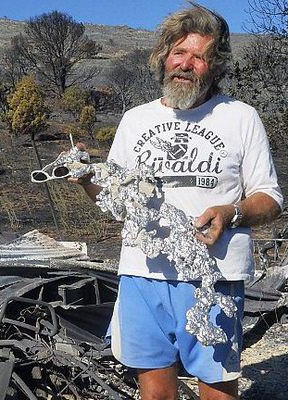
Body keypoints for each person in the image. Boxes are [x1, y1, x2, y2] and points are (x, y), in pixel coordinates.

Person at [71, 3, 283, 400]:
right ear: (164, 58)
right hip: (142, 275)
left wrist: (231, 213)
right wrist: (86, 179)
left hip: (214, 276)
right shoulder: (136, 120)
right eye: (178, 53)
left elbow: (270, 199)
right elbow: (117, 202)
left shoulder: (240, 117)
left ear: (214, 65)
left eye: (198, 56)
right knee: (155, 394)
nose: (185, 64)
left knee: (218, 390)